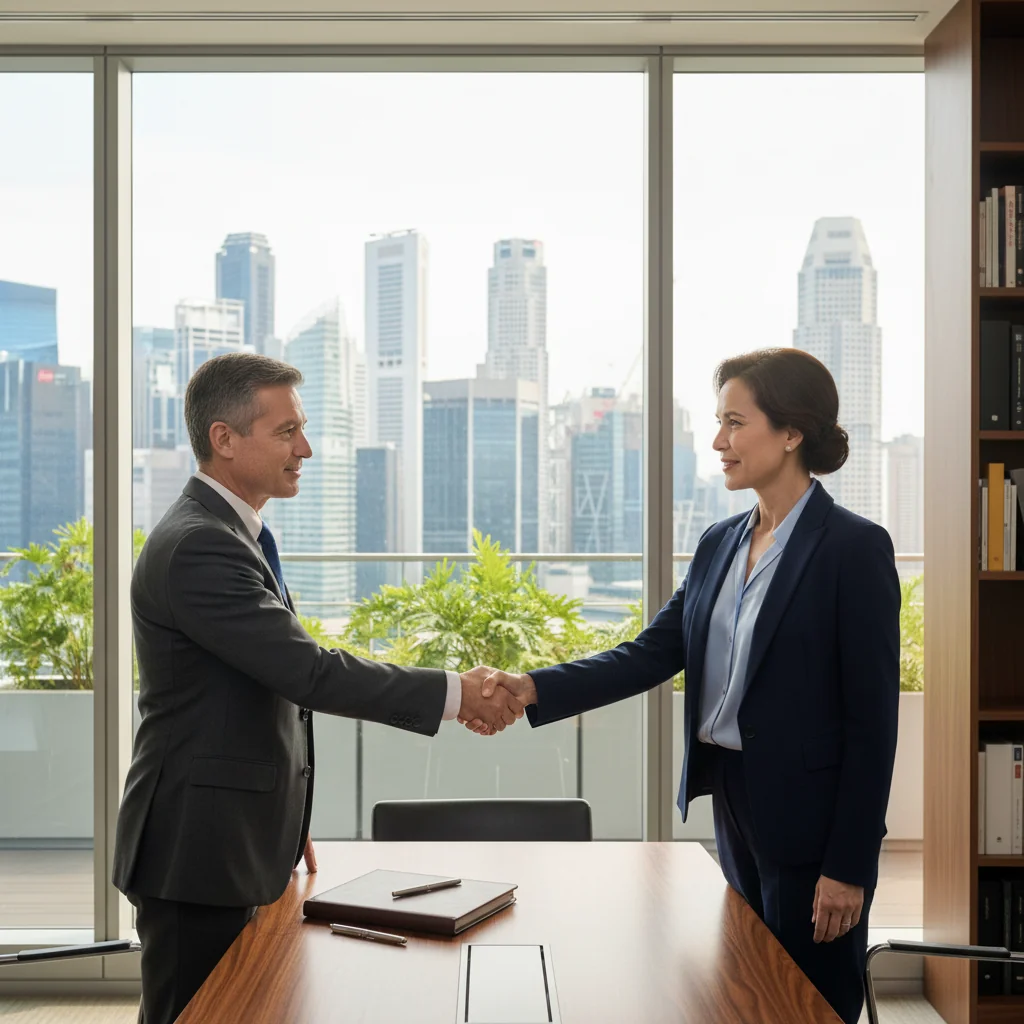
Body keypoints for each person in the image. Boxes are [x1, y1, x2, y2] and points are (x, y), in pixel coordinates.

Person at [470, 348, 900, 1024]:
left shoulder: (854, 549)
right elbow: (652, 654)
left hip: (811, 813)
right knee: (746, 985)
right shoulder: (719, 543)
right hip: (732, 798)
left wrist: (849, 866)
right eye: (718, 422)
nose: (719, 441)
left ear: (791, 434)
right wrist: (530, 687)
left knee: (809, 998)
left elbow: (873, 724)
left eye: (735, 422)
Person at [112, 352, 523, 1024]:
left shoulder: (230, 534)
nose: (305, 449)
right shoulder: (200, 547)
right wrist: (458, 694)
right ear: (224, 439)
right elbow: (307, 671)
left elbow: (259, 689)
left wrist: (279, 820)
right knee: (193, 1013)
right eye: (285, 433)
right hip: (196, 849)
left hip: (229, 836)